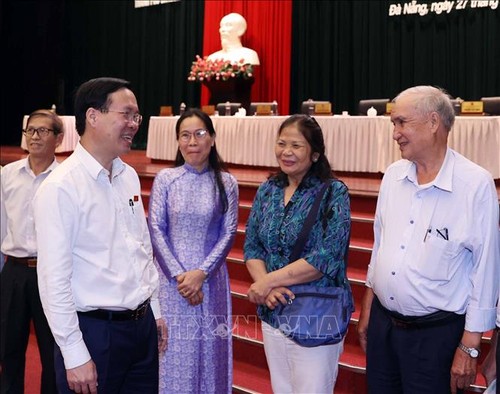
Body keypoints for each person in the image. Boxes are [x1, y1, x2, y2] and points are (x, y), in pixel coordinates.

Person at [357, 85, 500, 394]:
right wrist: (368, 308)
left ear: (434, 123)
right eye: (393, 123)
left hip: (435, 338)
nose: (395, 132)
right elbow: (380, 246)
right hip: (383, 326)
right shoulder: (393, 176)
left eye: (401, 122)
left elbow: (486, 268)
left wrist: (471, 345)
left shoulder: (474, 185)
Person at [33, 77, 168, 394]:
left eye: (137, 116)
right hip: (94, 334)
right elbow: (53, 281)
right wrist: (74, 353)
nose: (134, 124)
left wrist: (155, 312)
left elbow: (141, 250)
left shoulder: (128, 175)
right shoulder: (60, 187)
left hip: (142, 328)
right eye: (127, 114)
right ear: (93, 116)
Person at [244, 114, 351, 393]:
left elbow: (326, 257)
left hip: (315, 313)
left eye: (296, 145)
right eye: (281, 143)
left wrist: (268, 282)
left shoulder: (333, 193)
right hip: (273, 310)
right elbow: (252, 245)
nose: (286, 152)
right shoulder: (268, 189)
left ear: (315, 154)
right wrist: (266, 288)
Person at [148, 108, 238, 393]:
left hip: (211, 282)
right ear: (177, 141)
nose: (192, 142)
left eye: (199, 134)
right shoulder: (166, 179)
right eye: (184, 135)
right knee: (175, 354)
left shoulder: (226, 182)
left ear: (212, 138)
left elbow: (228, 232)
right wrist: (180, 277)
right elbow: (156, 230)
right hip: (172, 285)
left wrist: (201, 273)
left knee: (211, 354)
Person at [0, 109, 63, 393]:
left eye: (42, 131)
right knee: (8, 347)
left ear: (58, 138)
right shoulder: (8, 174)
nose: (35, 137)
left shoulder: (65, 178)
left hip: (50, 272)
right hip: (13, 270)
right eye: (30, 131)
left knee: (51, 350)